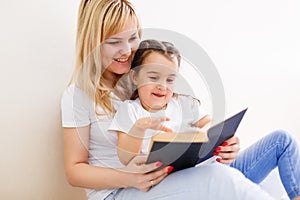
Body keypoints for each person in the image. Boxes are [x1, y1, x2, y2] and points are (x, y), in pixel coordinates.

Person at [61, 0, 299, 199]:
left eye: (132, 38)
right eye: (114, 42)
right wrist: (130, 178)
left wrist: (226, 143)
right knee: (222, 179)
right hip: (121, 192)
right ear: (93, 42)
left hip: (176, 177)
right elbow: (74, 171)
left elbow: (199, 124)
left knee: (279, 149)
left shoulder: (147, 79)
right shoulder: (79, 94)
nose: (126, 50)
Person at [109, 39, 300, 200]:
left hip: (219, 173)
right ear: (134, 77)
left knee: (282, 140)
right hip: (185, 186)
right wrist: (140, 129)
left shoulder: (184, 104)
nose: (162, 86)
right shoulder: (130, 111)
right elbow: (125, 157)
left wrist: (226, 142)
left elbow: (210, 124)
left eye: (170, 80)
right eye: (154, 77)